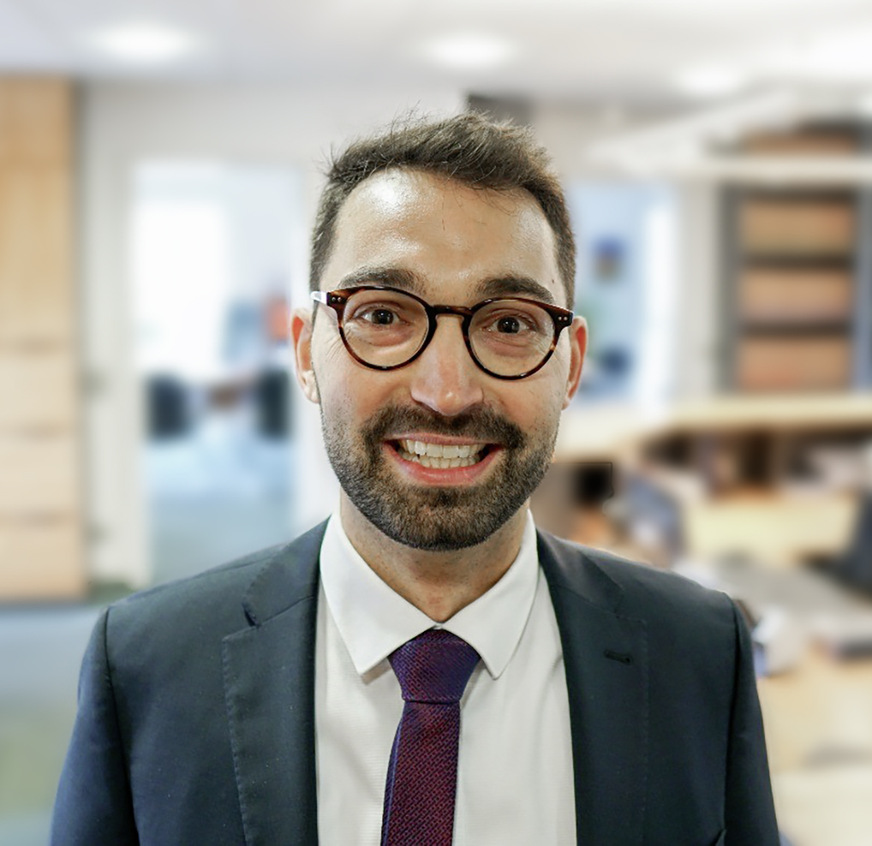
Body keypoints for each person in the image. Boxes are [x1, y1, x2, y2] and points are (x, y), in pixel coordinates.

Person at [52, 113, 779, 846]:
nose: (447, 392)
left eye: (510, 323)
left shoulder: (699, 653)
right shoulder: (146, 664)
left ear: (572, 365)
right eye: (382, 314)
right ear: (306, 354)